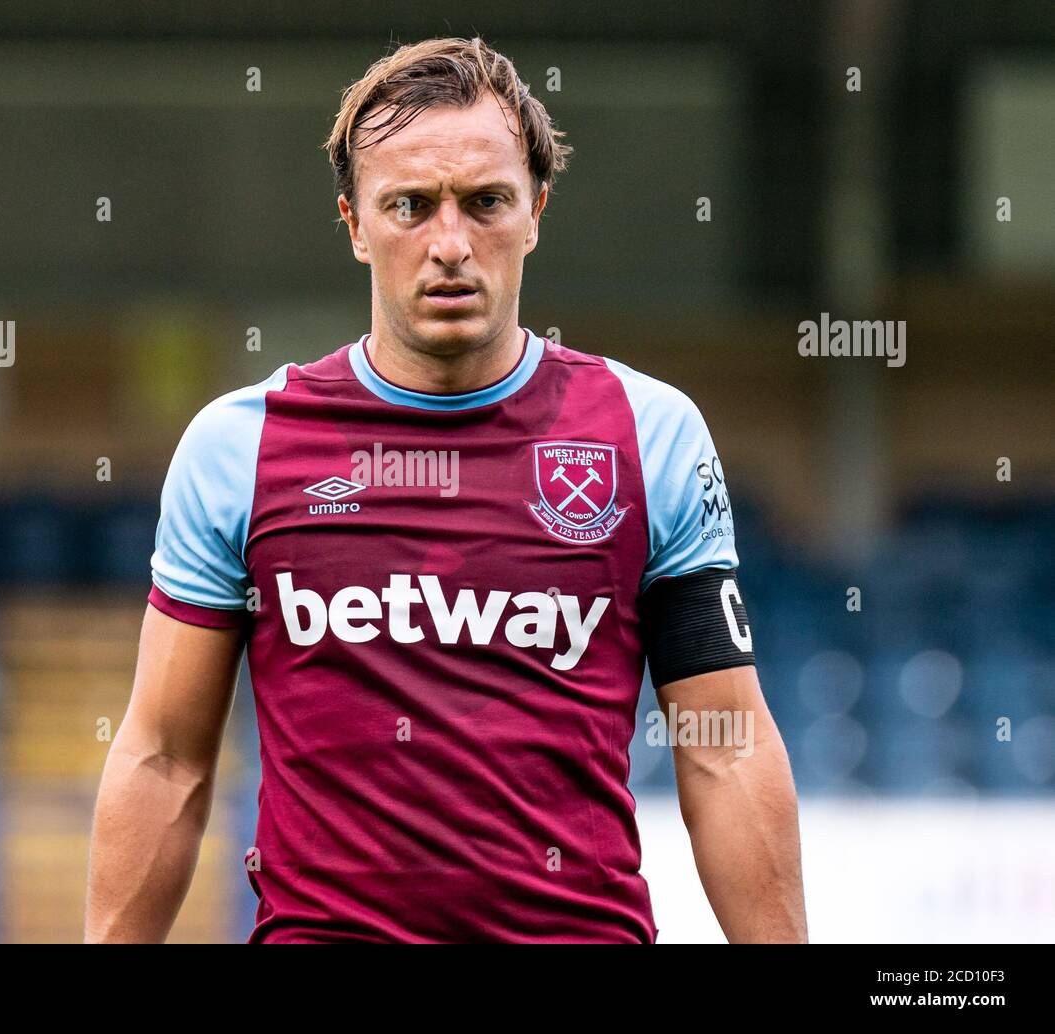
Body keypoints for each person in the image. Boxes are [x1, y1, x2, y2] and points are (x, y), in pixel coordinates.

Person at [86, 36, 805, 943]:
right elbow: (164, 760)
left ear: (536, 211)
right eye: (412, 206)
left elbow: (724, 752)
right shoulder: (241, 448)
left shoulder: (646, 434)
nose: (451, 244)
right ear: (354, 223)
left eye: (486, 202)